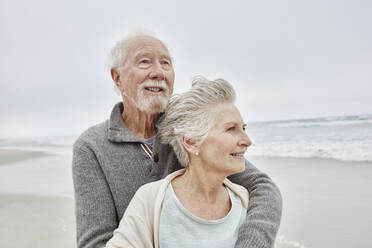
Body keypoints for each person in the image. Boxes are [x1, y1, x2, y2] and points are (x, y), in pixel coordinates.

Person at [72, 32, 282, 248]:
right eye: (145, 62)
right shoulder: (91, 147)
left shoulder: (190, 129)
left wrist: (250, 243)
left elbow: (263, 188)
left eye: (166, 63)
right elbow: (95, 242)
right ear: (117, 77)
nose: (159, 72)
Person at [105, 77, 259, 248]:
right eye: (231, 129)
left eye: (243, 128)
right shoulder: (151, 199)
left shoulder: (245, 201)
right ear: (191, 142)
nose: (247, 140)